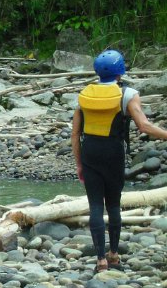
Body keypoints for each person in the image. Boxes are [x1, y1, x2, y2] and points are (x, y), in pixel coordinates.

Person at [72, 49, 167, 272]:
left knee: (95, 205)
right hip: (113, 152)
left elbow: (75, 133)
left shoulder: (85, 95)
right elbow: (144, 126)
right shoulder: (128, 94)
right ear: (120, 71)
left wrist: (78, 163)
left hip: (90, 152)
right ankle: (114, 255)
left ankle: (100, 261)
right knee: (113, 204)